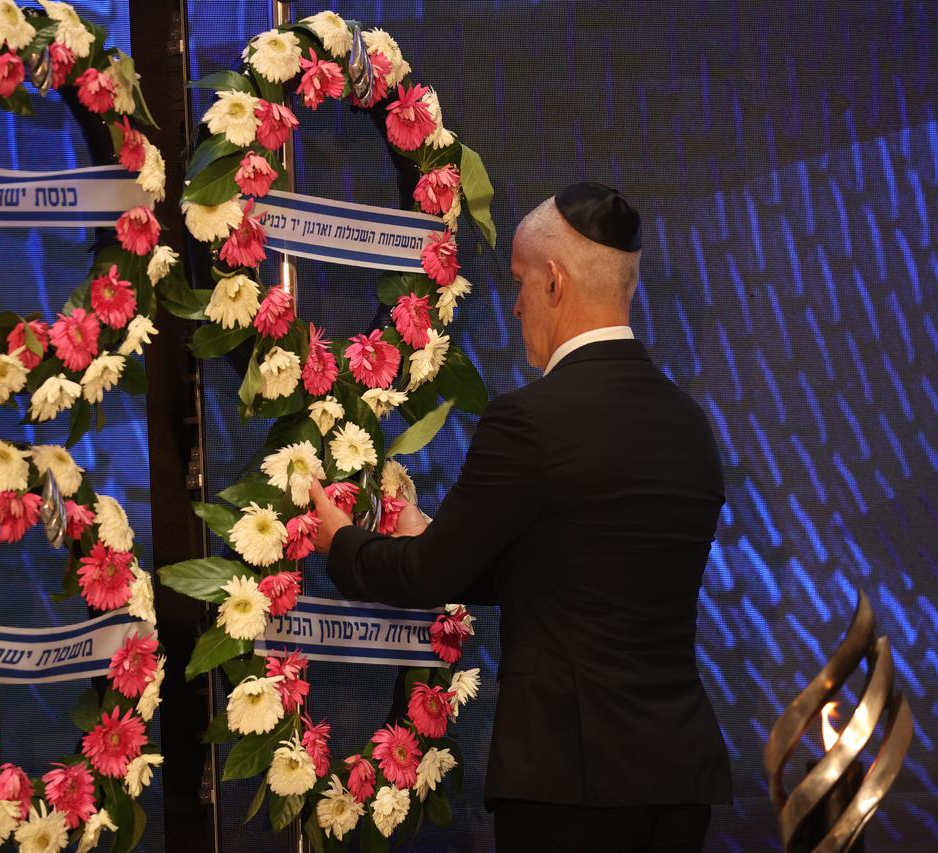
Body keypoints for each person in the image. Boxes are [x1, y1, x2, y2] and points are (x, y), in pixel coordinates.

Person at [307, 183, 733, 853]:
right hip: (679, 774)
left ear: (554, 281)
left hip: (568, 781)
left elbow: (424, 577)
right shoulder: (691, 425)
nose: (514, 305)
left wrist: (341, 541)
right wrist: (444, 539)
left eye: (519, 282)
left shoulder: (528, 421)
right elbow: (582, 575)